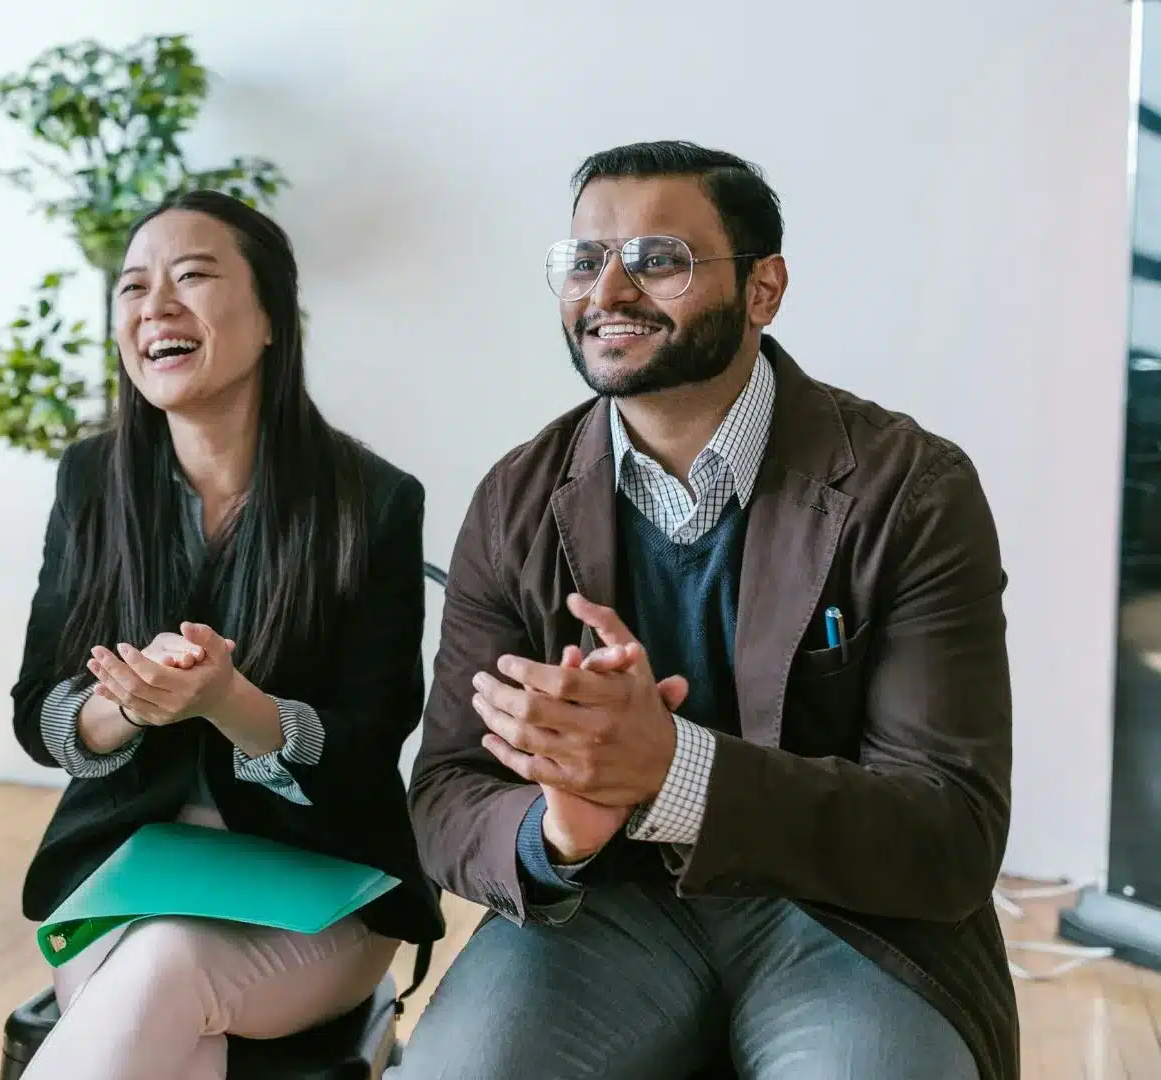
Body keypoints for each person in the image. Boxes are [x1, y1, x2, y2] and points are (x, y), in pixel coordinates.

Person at [396, 141, 1015, 1080]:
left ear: (763, 290)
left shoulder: (911, 489)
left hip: (848, 919)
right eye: (584, 260)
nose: (609, 290)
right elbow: (445, 792)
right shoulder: (516, 498)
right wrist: (556, 831)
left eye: (658, 260)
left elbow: (950, 830)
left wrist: (673, 768)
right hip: (608, 906)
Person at [10, 189, 446, 1080]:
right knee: (168, 994)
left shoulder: (372, 501)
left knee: (167, 971)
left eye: (193, 277)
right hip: (129, 875)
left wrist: (234, 706)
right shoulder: (94, 481)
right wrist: (123, 708)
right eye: (132, 289)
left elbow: (367, 744)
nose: (154, 307)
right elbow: (37, 712)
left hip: (321, 889)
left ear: (272, 319)